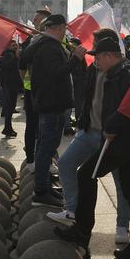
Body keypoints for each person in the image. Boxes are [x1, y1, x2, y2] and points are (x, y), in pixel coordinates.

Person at [54, 38, 130, 259]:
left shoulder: (126, 74)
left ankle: (82, 232)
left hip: (126, 141)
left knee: (87, 175)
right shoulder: (116, 71)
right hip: (128, 141)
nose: (96, 61)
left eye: (98, 57)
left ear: (110, 55)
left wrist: (111, 126)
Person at [47, 29, 130, 243]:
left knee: (121, 183)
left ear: (110, 53)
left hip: (112, 137)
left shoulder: (125, 72)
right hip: (88, 131)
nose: (94, 54)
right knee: (66, 164)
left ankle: (122, 226)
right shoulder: (94, 68)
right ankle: (72, 211)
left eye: (98, 49)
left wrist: (115, 129)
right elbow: (85, 91)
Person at [19, 14, 87, 207]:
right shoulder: (48, 47)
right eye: (64, 28)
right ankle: (40, 191)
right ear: (58, 28)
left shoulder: (46, 45)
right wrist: (75, 59)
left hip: (51, 103)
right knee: (46, 148)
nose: (65, 32)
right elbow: (56, 74)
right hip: (51, 103)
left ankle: (45, 187)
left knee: (47, 147)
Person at [19, 8, 52, 170]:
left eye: (37, 20)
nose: (34, 23)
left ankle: (47, 158)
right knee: (33, 126)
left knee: (48, 128)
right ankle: (31, 159)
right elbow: (21, 66)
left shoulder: (55, 41)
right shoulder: (30, 42)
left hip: (49, 92)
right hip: (32, 90)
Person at [0, 41, 21, 137]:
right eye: (13, 45)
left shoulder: (10, 54)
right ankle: (7, 128)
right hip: (10, 85)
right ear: (8, 46)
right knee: (10, 107)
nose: (15, 46)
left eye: (16, 45)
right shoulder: (8, 55)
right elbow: (6, 66)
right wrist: (15, 57)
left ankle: (8, 128)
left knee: (11, 107)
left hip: (12, 84)